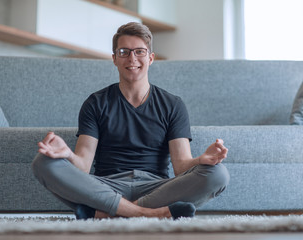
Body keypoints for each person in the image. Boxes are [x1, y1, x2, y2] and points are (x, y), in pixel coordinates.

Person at [32, 22, 230, 220]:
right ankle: (147, 213)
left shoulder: (173, 104)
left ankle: (110, 213)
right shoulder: (95, 103)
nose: (132, 58)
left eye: (140, 52)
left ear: (151, 58)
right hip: (106, 186)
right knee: (43, 163)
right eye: (124, 51)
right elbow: (83, 165)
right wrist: (67, 153)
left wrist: (202, 161)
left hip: (156, 188)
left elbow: (180, 167)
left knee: (218, 174)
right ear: (114, 59)